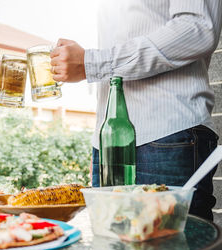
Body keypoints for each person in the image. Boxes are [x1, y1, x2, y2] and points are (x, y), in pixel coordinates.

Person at [50, 0, 222, 220]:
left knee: (172, 249)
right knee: (112, 247)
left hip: (166, 135)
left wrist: (92, 63)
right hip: (108, 143)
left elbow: (197, 28)